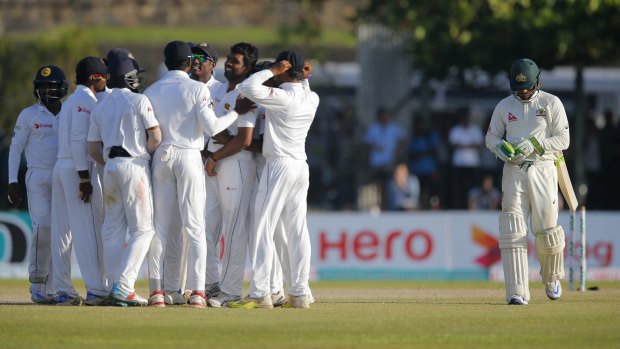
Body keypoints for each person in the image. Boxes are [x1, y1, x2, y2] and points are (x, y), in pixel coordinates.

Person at [143, 40, 249, 308]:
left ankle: (159, 291)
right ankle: (199, 292)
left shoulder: (151, 90)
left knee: (161, 228)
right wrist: (237, 112)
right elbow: (213, 128)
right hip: (189, 155)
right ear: (189, 63)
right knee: (195, 227)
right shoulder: (197, 88)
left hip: (162, 156)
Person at [228, 50, 318, 309]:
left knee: (263, 228)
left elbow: (247, 86)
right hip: (301, 166)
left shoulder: (282, 98)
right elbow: (301, 86)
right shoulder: (312, 97)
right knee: (298, 230)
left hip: (278, 165)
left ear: (285, 70)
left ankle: (260, 293)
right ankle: (300, 293)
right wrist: (302, 76)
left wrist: (272, 71)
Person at [485, 58, 569, 305]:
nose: (523, 92)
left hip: (543, 169)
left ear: (537, 82)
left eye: (527, 87)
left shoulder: (551, 103)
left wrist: (536, 143)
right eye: (518, 87)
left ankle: (552, 277)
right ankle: (517, 292)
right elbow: (490, 138)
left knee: (547, 231)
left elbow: (563, 139)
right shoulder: (504, 106)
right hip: (513, 171)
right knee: (513, 228)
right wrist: (501, 148)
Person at [87, 55, 161, 306]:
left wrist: (109, 164)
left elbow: (92, 148)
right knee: (144, 229)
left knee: (112, 230)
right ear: (128, 77)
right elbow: (156, 136)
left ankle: (111, 286)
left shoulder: (100, 105)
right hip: (134, 165)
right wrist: (145, 154)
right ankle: (125, 285)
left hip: (110, 168)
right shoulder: (139, 100)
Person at [201, 42, 259, 308]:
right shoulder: (224, 90)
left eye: (235, 61)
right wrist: (212, 151)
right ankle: (210, 285)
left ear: (247, 68)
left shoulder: (247, 93)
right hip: (217, 164)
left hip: (235, 164)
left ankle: (231, 291)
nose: (229, 64)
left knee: (234, 230)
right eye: (229, 60)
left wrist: (215, 155)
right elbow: (218, 132)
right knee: (206, 227)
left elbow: (244, 139)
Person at [7, 65, 68, 304]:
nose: (46, 90)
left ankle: (55, 287)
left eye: (51, 85)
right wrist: (13, 182)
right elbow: (15, 149)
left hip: (64, 176)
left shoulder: (70, 111)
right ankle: (38, 284)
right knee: (43, 228)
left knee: (62, 233)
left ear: (61, 87)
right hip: (38, 177)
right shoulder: (29, 114)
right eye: (42, 86)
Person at [51, 57, 109, 306]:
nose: (107, 81)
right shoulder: (86, 101)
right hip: (78, 168)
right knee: (88, 230)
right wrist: (84, 177)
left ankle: (63, 289)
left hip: (62, 166)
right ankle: (96, 289)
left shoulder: (70, 101)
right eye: (104, 77)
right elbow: (78, 140)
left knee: (62, 231)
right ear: (94, 78)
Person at [363, 107, 406, 210]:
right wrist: (375, 146)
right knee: (376, 187)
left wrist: (398, 150)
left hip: (389, 162)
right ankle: (377, 208)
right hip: (376, 163)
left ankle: (390, 207)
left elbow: (404, 138)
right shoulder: (373, 128)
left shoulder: (394, 128)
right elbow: (366, 143)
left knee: (390, 186)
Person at [448, 113, 483, 209]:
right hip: (458, 164)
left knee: (473, 189)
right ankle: (459, 207)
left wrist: (463, 145)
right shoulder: (456, 129)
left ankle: (472, 207)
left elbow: (479, 144)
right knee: (458, 189)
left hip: (473, 164)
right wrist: (470, 145)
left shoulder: (475, 129)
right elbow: (453, 144)